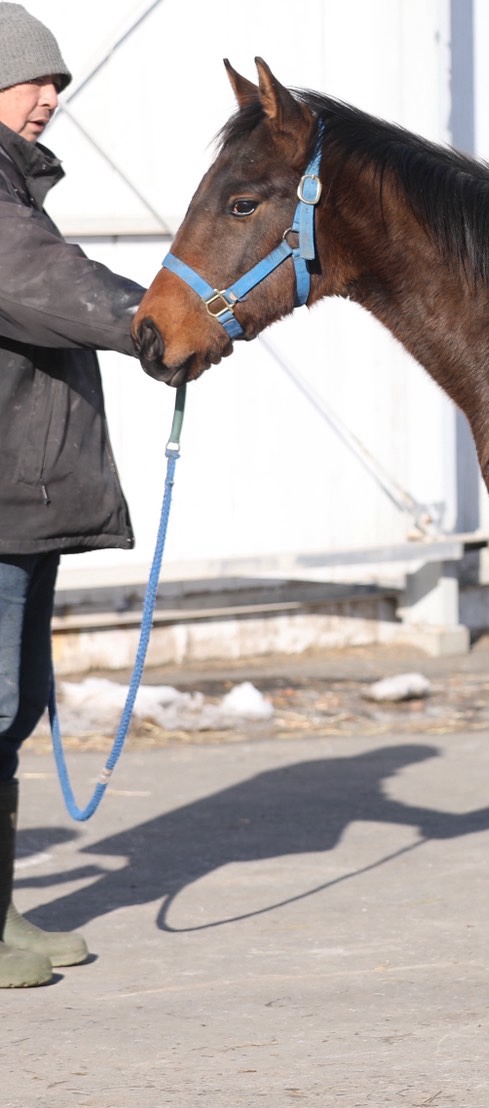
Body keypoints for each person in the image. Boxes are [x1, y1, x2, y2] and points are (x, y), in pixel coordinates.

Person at [0, 3, 150, 987]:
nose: (53, 97)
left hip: (20, 493)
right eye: (34, 79)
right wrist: (154, 319)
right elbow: (35, 279)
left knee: (12, 705)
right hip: (3, 495)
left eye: (59, 83)